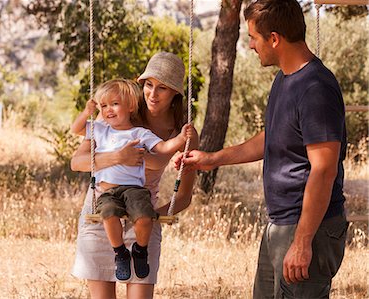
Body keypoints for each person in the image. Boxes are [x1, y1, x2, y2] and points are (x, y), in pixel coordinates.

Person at [175, 0, 348, 298]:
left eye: (254, 38)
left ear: (275, 38)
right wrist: (213, 159)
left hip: (309, 229)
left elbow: (324, 169)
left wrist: (303, 241)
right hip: (281, 225)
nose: (252, 46)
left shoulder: (316, 88)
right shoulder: (285, 79)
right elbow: (272, 137)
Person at [71, 52, 199, 299]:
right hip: (103, 211)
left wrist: (153, 217)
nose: (152, 94)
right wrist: (117, 157)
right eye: (149, 84)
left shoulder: (183, 133)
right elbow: (77, 162)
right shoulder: (116, 111)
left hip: (142, 215)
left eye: (162, 88)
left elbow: (183, 197)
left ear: (176, 93)